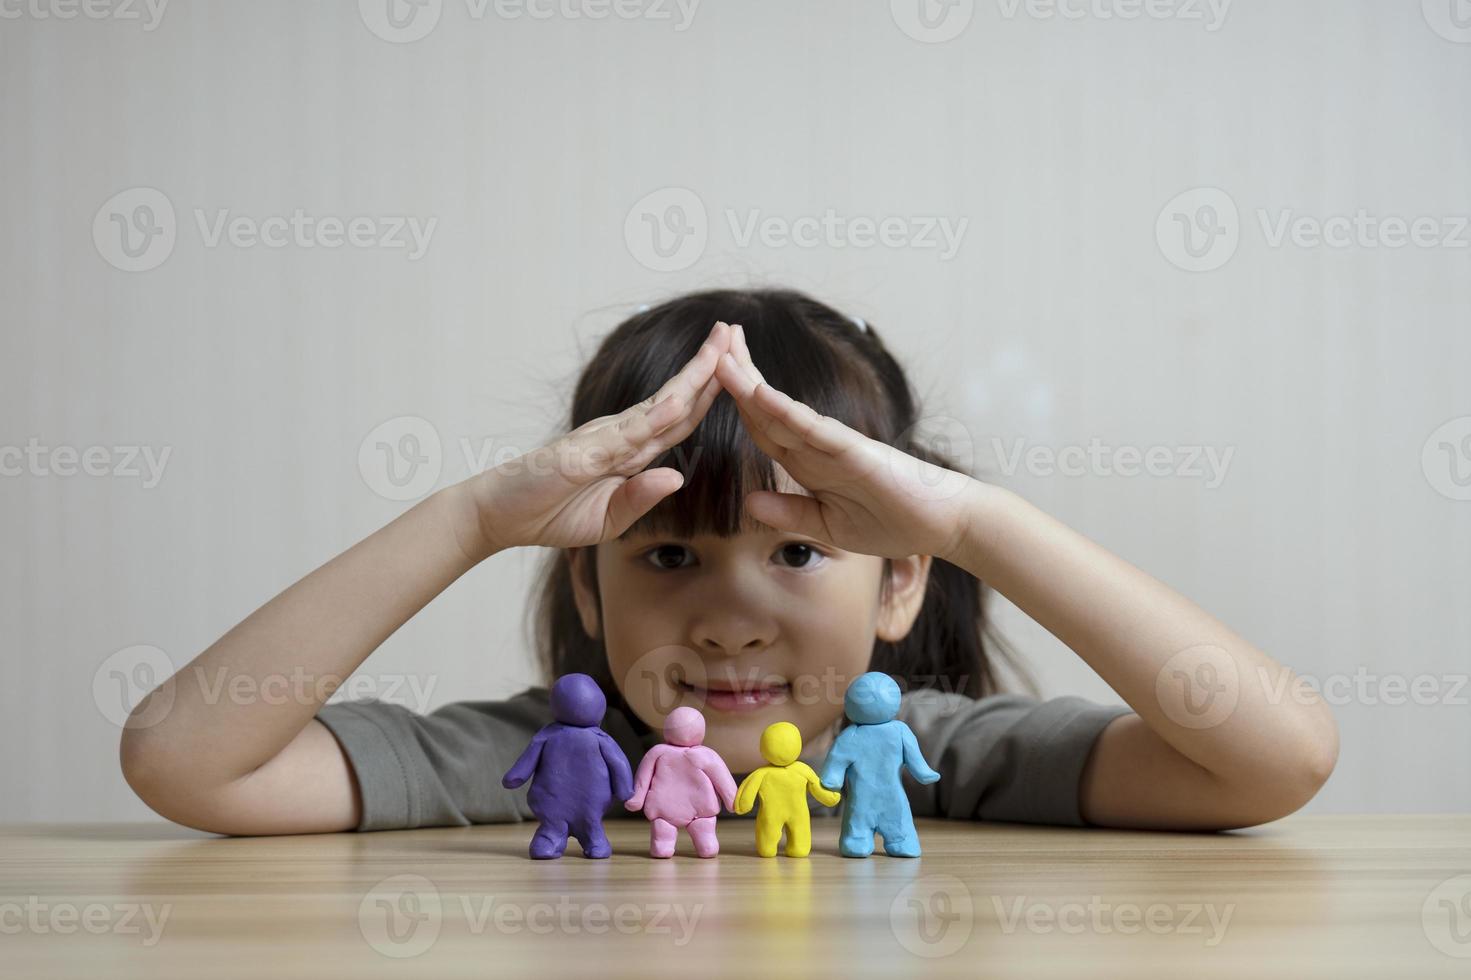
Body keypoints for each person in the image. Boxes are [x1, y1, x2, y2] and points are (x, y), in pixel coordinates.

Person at [119, 288, 1338, 837]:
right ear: (587, 587)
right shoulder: (547, 769)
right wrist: (471, 517)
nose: (731, 621)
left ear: (901, 581)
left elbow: (1273, 759)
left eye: (798, 549)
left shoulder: (937, 759)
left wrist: (971, 524)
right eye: (667, 553)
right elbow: (186, 761)